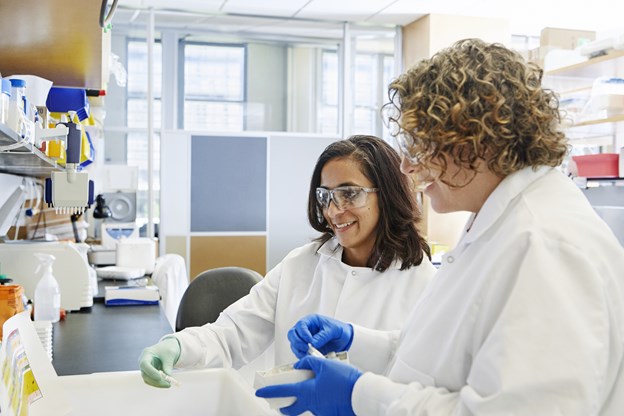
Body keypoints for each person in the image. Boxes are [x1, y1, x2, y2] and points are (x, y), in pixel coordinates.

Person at [256, 39, 624, 415]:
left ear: (477, 140)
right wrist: (356, 340)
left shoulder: (544, 244)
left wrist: (360, 396)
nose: (408, 168)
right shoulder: (499, 223)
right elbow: (440, 355)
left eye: (423, 147)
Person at [139, 134, 436, 388]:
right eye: (326, 196)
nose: (334, 211)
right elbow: (233, 333)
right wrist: (177, 346)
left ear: (387, 196)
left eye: (349, 194)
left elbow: (421, 381)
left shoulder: (422, 283)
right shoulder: (302, 264)